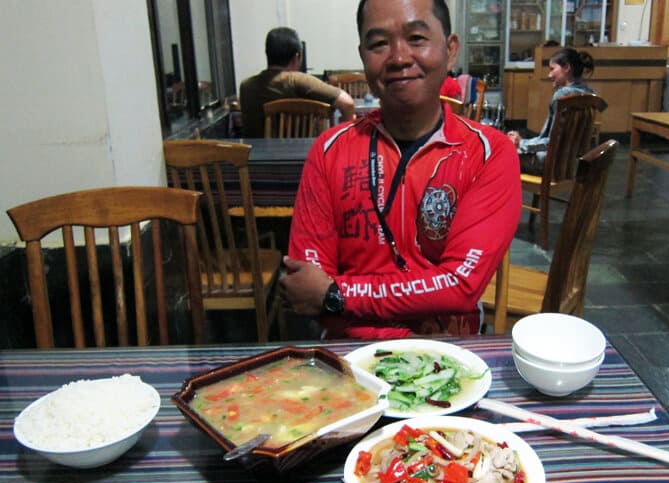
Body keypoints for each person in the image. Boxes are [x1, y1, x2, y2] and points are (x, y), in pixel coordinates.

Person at [279, 0, 521, 339]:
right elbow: (306, 290)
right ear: (363, 56)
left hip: (449, 359)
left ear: (450, 50)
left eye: (417, 38)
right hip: (349, 360)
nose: (398, 57)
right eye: (379, 43)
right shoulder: (329, 151)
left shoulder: (488, 153)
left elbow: (460, 286)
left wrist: (337, 295)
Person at [239, 27, 356, 137]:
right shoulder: (298, 81)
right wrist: (344, 132)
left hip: (257, 156)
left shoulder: (246, 86)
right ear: (297, 57)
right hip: (304, 155)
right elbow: (347, 103)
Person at [506, 47, 607, 170]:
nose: (549, 75)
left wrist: (520, 143)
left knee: (501, 156)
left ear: (566, 68)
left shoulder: (563, 95)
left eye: (552, 69)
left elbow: (555, 140)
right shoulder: (589, 94)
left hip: (552, 163)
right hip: (573, 164)